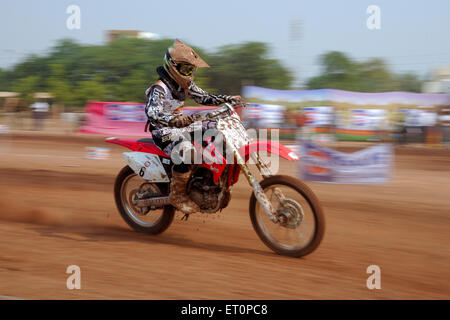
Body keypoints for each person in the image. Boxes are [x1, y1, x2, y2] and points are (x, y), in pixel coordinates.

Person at [145, 39, 245, 214]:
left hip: (181, 128)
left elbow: (205, 97)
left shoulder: (184, 85)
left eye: (191, 69)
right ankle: (178, 195)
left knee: (217, 134)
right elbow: (152, 112)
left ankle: (212, 183)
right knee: (185, 150)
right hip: (163, 131)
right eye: (185, 69)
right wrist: (174, 120)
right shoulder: (160, 88)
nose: (189, 73)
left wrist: (228, 99)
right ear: (172, 66)